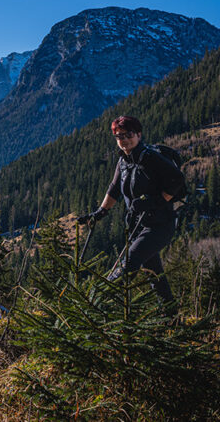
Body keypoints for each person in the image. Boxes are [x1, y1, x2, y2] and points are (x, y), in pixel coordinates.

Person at [77, 115, 184, 311]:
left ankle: (94, 307)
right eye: (119, 136)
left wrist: (157, 201)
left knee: (128, 265)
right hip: (138, 225)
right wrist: (100, 212)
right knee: (154, 274)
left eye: (128, 135)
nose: (124, 140)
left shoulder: (151, 158)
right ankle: (172, 318)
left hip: (160, 226)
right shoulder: (123, 161)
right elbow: (114, 188)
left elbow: (177, 180)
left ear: (139, 134)